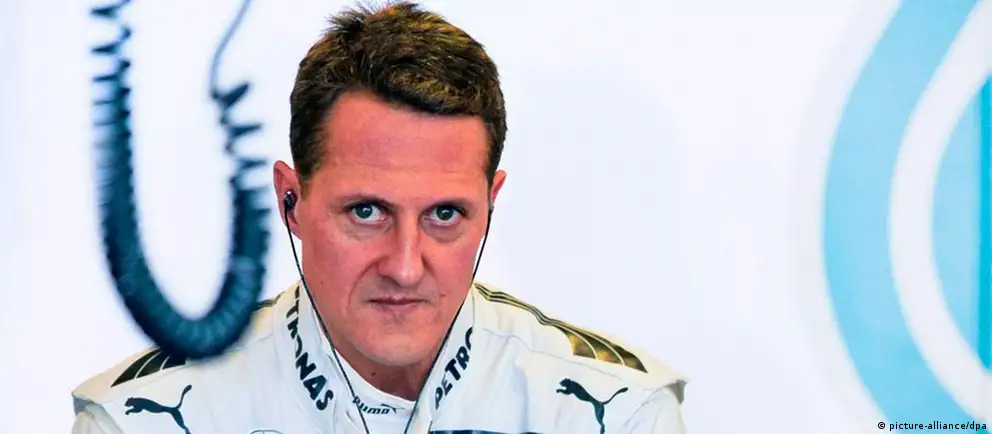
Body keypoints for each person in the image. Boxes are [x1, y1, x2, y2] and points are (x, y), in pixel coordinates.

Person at [70, 2, 687, 433]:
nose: (405, 266)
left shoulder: (614, 414)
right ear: (291, 202)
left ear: (490, 204)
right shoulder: (142, 419)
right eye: (366, 212)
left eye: (445, 213)